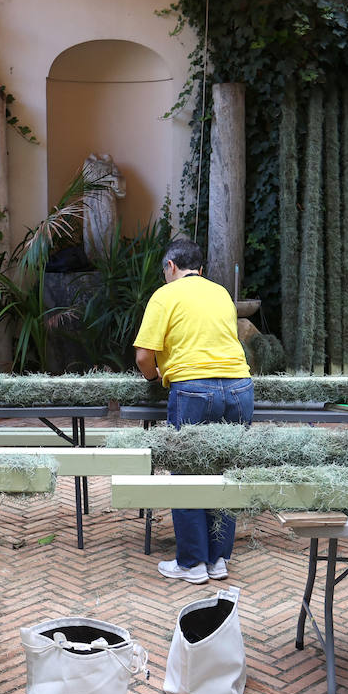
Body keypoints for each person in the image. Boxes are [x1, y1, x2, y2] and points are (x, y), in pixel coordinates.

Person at [134, 239, 253, 585]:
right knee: (224, 471)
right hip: (239, 388)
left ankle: (192, 564)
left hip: (194, 390)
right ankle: (218, 560)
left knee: (187, 473)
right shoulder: (219, 294)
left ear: (170, 266)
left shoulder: (165, 295)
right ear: (200, 270)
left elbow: (144, 356)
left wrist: (155, 376)